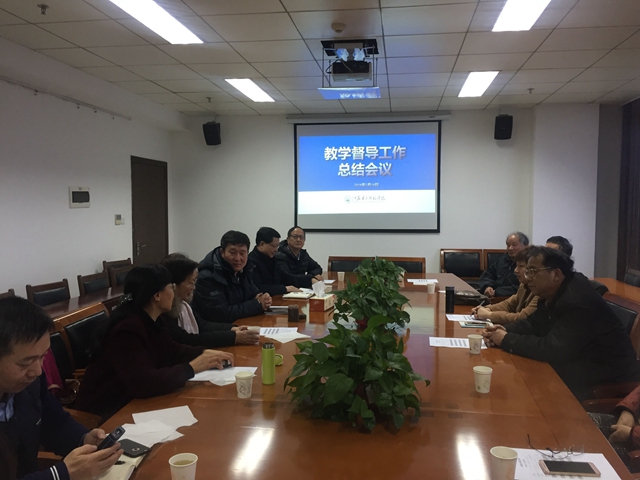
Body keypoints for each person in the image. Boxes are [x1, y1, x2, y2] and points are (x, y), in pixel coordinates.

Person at [482, 246, 640, 401]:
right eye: (527, 271)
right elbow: (533, 323)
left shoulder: (577, 301)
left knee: (520, 388)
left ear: (556, 274)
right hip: (576, 365)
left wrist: (505, 339)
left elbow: (552, 349)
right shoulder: (553, 291)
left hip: (605, 379)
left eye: (533, 271)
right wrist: (502, 330)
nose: (528, 277)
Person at [75, 265, 233, 419]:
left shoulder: (153, 319)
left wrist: (204, 354)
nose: (174, 292)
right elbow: (143, 382)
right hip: (107, 411)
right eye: (171, 287)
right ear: (157, 295)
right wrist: (192, 368)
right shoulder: (127, 330)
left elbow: (172, 349)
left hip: (134, 401)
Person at [0, 296, 122, 480]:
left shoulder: (29, 383)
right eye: (25, 363)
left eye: (43, 356)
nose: (37, 371)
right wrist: (61, 474)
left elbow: (53, 421)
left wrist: (84, 439)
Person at [159, 254, 259, 347]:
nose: (193, 288)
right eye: (190, 283)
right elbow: (187, 339)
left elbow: (203, 325)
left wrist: (233, 329)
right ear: (174, 285)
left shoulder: (182, 305)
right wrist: (234, 337)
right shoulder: (163, 311)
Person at [192, 230, 272, 323]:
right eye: (232, 252)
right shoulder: (207, 277)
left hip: (240, 323)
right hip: (217, 329)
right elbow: (221, 314)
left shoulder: (244, 269)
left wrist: (264, 298)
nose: (238, 258)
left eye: (242, 253)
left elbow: (254, 293)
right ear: (222, 252)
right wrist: (257, 304)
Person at [471, 246, 538, 324]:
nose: (515, 270)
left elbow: (522, 318)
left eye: (521, 266)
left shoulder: (541, 291)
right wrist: (487, 308)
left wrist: (489, 315)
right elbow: (509, 304)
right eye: (516, 265)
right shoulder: (524, 285)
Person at [248, 227, 300, 296]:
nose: (276, 250)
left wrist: (308, 280)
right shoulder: (251, 261)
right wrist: (284, 289)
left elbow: (285, 277)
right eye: (274, 246)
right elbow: (258, 288)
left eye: (277, 246)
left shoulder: (272, 258)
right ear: (262, 244)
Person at [478, 232, 529, 298]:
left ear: (525, 246)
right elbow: (487, 274)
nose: (510, 248)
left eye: (514, 245)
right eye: (508, 245)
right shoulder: (503, 259)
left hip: (512, 298)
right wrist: (487, 287)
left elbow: (522, 287)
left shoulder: (529, 263)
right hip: (493, 296)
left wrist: (497, 292)